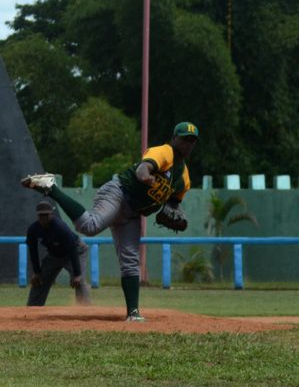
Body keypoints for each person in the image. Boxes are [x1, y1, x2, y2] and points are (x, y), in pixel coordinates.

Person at [21, 122, 198, 322]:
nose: (187, 144)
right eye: (184, 139)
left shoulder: (184, 178)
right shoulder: (164, 152)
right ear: (174, 138)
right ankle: (50, 187)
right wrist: (148, 178)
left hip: (133, 213)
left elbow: (174, 204)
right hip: (118, 193)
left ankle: (133, 313)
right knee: (90, 226)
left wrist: (175, 212)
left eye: (192, 141)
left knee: (131, 262)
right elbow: (142, 170)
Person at [25, 200, 91, 307]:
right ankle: (32, 310)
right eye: (41, 215)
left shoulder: (60, 227)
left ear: (51, 214)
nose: (44, 218)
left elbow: (73, 248)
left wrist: (77, 274)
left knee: (79, 281)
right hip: (54, 255)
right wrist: (36, 272)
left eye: (46, 214)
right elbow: (33, 250)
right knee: (39, 280)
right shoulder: (33, 229)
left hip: (76, 252)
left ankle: (85, 310)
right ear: (37, 215)